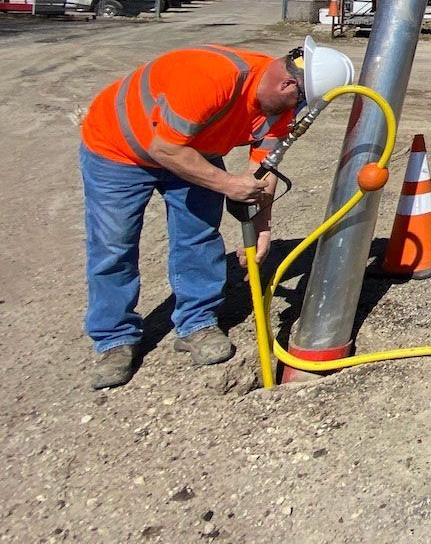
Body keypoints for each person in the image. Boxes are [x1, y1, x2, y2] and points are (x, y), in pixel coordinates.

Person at [78, 35, 355, 389]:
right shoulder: (212, 77)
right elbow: (164, 148)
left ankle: (196, 323)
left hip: (196, 147)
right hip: (118, 148)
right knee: (113, 245)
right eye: (300, 100)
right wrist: (226, 184)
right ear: (288, 82)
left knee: (198, 235)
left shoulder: (282, 107)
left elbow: (263, 173)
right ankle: (114, 339)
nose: (296, 111)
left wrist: (263, 228)